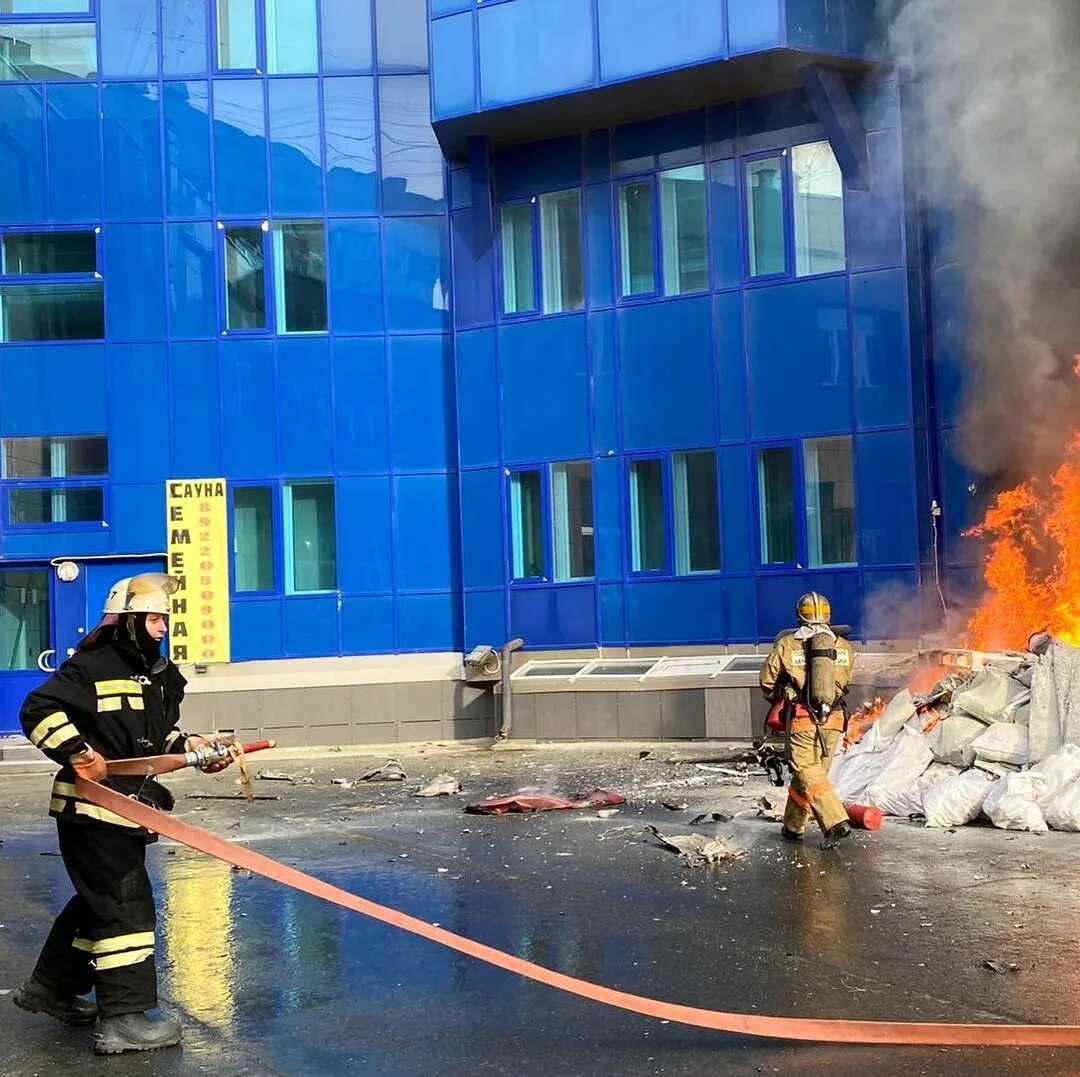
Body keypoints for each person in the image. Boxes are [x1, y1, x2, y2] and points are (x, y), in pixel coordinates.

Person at [12, 573, 231, 1055]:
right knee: (125, 905)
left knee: (99, 902)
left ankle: (51, 989)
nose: (160, 629)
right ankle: (124, 1020)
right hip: (91, 809)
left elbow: (153, 740)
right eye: (153, 619)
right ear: (128, 621)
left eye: (164, 621)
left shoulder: (156, 673)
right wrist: (75, 751)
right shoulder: (92, 666)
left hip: (131, 809)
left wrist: (195, 749)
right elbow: (37, 709)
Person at [759, 591, 854, 847]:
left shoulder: (788, 644)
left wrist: (781, 697)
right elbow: (846, 679)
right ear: (828, 614)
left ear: (799, 615)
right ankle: (793, 826)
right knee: (812, 776)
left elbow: (767, 681)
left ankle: (835, 822)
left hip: (802, 718)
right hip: (834, 720)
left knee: (804, 770)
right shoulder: (843, 646)